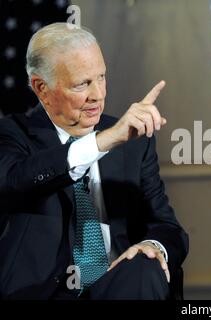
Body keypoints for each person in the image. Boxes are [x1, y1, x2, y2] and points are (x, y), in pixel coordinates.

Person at [0, 23, 188, 300]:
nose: (98, 95)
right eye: (82, 84)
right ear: (42, 88)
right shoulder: (13, 134)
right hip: (43, 291)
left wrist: (152, 247)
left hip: (120, 288)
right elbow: (16, 180)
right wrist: (102, 142)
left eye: (101, 77)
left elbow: (168, 228)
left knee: (143, 268)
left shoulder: (134, 143)